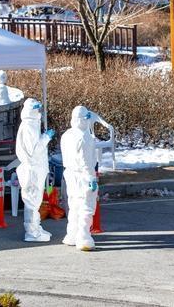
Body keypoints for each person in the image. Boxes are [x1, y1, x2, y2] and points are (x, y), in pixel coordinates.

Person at [16, 98, 55, 242]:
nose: (40, 112)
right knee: (32, 201)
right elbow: (35, 151)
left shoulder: (31, 124)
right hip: (32, 170)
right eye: (38, 109)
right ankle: (32, 233)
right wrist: (46, 137)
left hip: (35, 169)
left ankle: (36, 228)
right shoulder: (29, 127)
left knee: (34, 201)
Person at [61, 106, 98, 251]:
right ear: (83, 120)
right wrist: (91, 179)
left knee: (74, 204)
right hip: (83, 175)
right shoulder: (85, 137)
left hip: (70, 174)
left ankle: (72, 234)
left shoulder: (67, 135)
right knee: (87, 206)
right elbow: (86, 161)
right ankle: (83, 236)